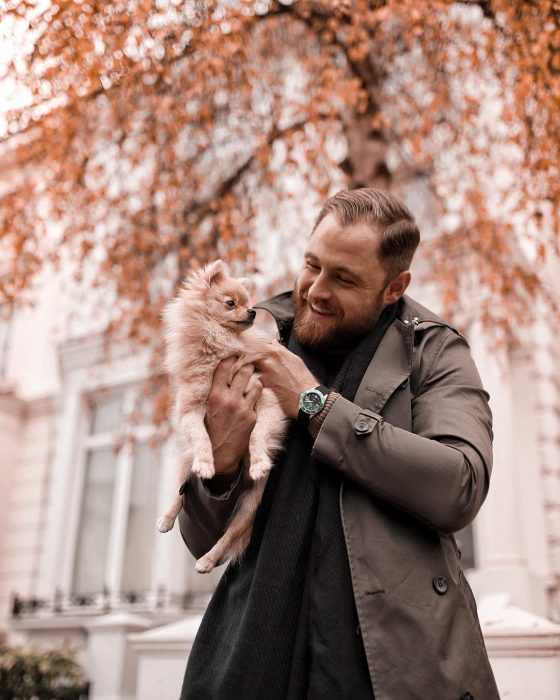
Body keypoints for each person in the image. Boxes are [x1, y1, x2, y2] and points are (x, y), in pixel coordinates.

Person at [178, 188, 500, 700]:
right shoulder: (253, 332)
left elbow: (459, 484)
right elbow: (201, 542)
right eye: (312, 264)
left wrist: (313, 403)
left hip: (391, 674)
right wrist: (218, 466)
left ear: (395, 287)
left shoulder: (434, 350)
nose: (316, 291)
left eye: (344, 278)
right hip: (247, 666)